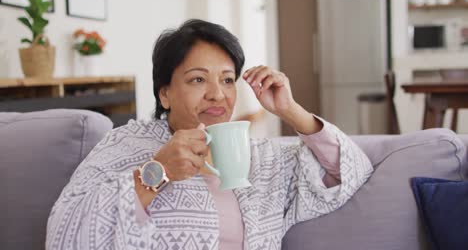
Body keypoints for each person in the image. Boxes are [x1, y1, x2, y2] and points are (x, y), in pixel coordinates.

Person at [46, 19, 373, 250]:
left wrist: (291, 110)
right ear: (165, 94)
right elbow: (67, 233)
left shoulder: (265, 159)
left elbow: (350, 171)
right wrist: (159, 171)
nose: (218, 94)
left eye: (228, 80)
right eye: (198, 80)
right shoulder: (127, 145)